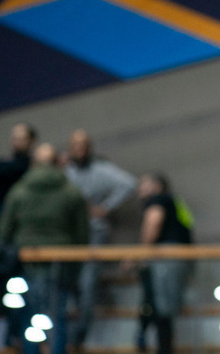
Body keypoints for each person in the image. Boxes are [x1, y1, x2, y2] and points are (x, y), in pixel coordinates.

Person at [0, 143, 89, 354]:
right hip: (61, 262)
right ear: (57, 163)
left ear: (33, 164)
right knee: (57, 316)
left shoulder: (19, 191)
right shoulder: (71, 191)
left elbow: (5, 231)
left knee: (29, 316)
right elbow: (81, 233)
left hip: (24, 261)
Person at [63, 130, 138, 350]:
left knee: (87, 286)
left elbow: (129, 184)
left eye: (84, 145)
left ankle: (78, 338)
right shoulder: (65, 173)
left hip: (93, 234)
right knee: (67, 287)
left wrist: (105, 208)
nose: (80, 149)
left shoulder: (100, 170)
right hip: (68, 238)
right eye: (76, 145)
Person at [135, 173, 192, 354]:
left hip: (167, 259)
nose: (140, 190)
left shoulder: (159, 200)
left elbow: (153, 223)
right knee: (165, 309)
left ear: (157, 186)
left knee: (161, 309)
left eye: (144, 185)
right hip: (180, 259)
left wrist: (140, 254)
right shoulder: (175, 202)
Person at [0, 123, 37, 238]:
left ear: (31, 142)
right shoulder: (1, 169)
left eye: (22, 139)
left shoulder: (33, 169)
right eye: (15, 139)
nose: (17, 143)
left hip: (24, 226)